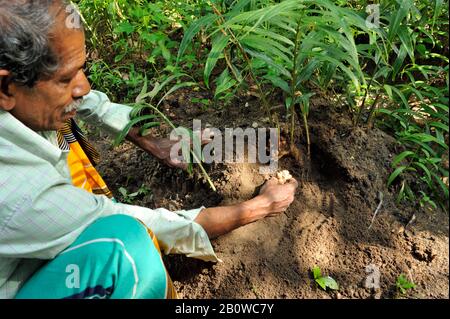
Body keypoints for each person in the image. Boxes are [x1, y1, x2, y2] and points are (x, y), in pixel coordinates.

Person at [0, 0, 298, 299]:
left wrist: (152, 140)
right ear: (6, 88)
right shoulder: (16, 191)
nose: (84, 87)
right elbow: (136, 222)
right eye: (66, 78)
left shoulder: (26, 97)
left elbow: (83, 100)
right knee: (126, 248)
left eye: (82, 69)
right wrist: (257, 208)